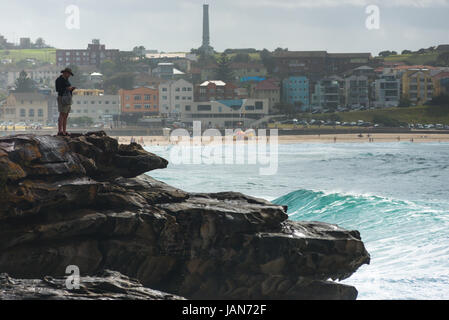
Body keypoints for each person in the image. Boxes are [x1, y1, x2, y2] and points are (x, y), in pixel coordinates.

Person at [55, 68, 76, 136]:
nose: (69, 75)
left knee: (66, 115)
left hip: (67, 98)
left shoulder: (67, 80)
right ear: (65, 73)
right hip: (62, 98)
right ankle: (60, 131)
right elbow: (58, 89)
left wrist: (71, 89)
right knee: (62, 114)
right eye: (69, 74)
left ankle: (64, 131)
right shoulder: (59, 80)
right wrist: (67, 88)